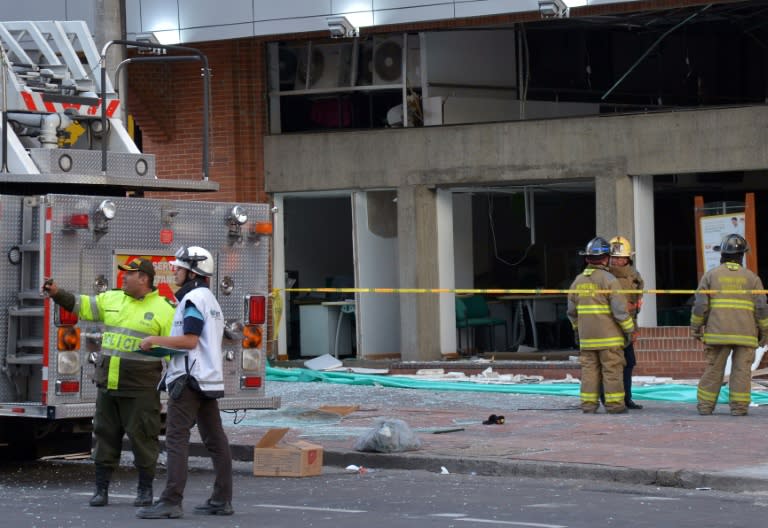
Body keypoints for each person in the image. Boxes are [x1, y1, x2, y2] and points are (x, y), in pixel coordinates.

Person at [43, 258, 175, 507]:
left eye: (129, 274)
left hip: (141, 390)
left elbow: (174, 351)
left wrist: (177, 383)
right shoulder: (112, 299)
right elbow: (81, 305)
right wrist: (57, 293)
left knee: (144, 439)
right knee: (105, 437)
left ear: (144, 279)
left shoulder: (165, 309)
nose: (123, 278)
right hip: (108, 386)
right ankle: (101, 489)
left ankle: (144, 491)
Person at [136, 246, 233, 519]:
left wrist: (155, 341)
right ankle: (222, 499)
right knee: (216, 441)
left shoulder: (193, 300)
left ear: (193, 272)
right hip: (207, 380)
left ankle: (170, 501)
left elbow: (190, 340)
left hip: (189, 381)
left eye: (178, 268)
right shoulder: (210, 300)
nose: (174, 272)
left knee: (177, 439)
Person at [690, 233, 768, 416]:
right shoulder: (752, 278)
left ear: (722, 254)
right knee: (742, 372)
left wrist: (695, 327)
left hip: (717, 333)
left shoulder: (711, 276)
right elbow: (762, 308)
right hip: (746, 334)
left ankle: (705, 406)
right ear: (742, 255)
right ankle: (739, 408)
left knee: (714, 370)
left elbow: (700, 305)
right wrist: (764, 332)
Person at [567, 237, 635, 414]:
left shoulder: (578, 281)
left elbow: (571, 312)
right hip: (609, 339)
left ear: (587, 258)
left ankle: (589, 405)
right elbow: (620, 311)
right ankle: (614, 406)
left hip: (587, 339)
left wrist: (577, 330)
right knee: (612, 370)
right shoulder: (610, 280)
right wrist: (630, 330)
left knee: (589, 372)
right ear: (606, 258)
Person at [608, 236, 645, 410]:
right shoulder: (606, 277)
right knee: (612, 364)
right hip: (610, 327)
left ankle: (627, 397)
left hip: (628, 326)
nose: (617, 261)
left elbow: (636, 304)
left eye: (620, 257)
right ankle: (611, 399)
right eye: (614, 257)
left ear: (628, 258)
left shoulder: (635, 276)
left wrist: (634, 328)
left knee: (629, 363)